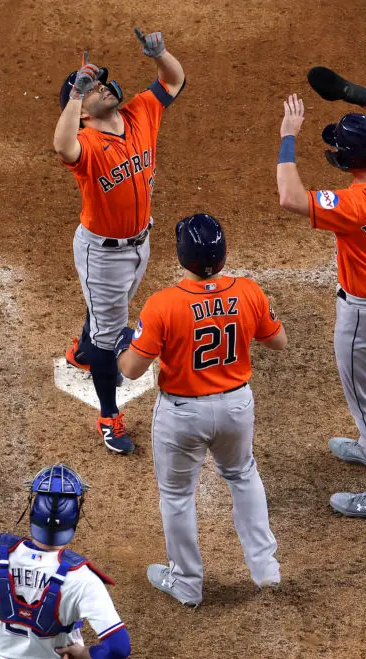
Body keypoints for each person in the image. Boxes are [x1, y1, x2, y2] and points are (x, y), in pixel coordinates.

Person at [115, 213, 285, 608]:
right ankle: (265, 569)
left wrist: (125, 345)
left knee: (176, 495)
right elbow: (279, 342)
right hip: (236, 407)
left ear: (181, 256)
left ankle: (187, 583)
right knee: (243, 475)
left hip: (182, 415)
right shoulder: (249, 292)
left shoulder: (163, 305)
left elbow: (132, 369)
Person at [275, 67, 366, 522]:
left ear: (351, 161)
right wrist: (347, 93)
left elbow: (290, 198)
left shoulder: (356, 204)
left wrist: (288, 136)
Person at [54, 28, 186, 455]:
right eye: (93, 87)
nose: (103, 86)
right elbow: (62, 144)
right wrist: (75, 94)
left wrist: (161, 53)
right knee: (111, 335)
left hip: (140, 243)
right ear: (82, 110)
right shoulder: (87, 143)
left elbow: (173, 81)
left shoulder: (140, 113)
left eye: (103, 81)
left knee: (109, 314)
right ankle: (108, 416)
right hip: (103, 254)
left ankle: (81, 350)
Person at [0, 464, 130, 659]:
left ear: (32, 512)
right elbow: (118, 647)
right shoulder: (83, 579)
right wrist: (84, 655)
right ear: (76, 519)